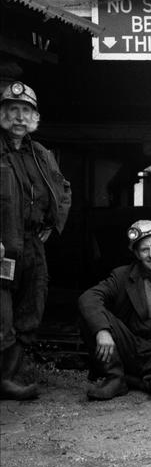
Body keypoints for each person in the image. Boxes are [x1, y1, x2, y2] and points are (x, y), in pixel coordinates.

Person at [0, 81, 71, 400]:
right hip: (3, 244)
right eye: (12, 110)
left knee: (31, 309)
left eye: (25, 111)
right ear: (3, 114)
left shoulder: (40, 153)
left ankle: (8, 377)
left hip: (32, 244)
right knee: (2, 314)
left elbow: (63, 189)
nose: (18, 117)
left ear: (34, 118)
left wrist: (53, 224)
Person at [78, 220, 151, 401]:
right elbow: (88, 297)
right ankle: (114, 376)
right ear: (136, 252)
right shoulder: (121, 275)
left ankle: (127, 380)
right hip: (130, 342)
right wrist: (102, 331)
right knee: (91, 315)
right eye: (145, 250)